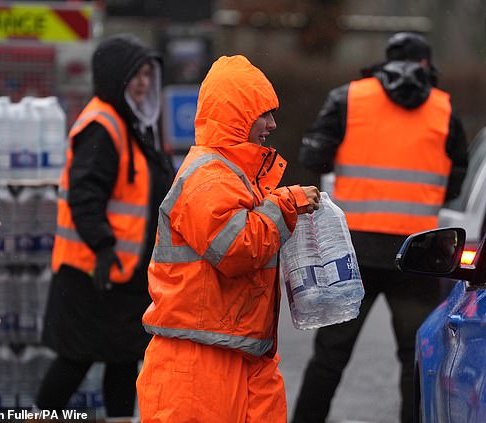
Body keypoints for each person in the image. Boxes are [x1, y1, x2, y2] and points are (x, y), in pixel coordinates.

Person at [292, 32, 469, 423]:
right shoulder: (444, 110)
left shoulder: (348, 98)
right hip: (415, 254)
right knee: (414, 358)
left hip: (354, 251)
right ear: (426, 65)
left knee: (330, 355)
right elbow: (456, 180)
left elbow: (313, 156)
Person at [136, 55, 321, 423]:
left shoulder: (230, 175)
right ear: (236, 115)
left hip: (233, 354)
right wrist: (286, 203)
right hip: (201, 365)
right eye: (262, 114)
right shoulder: (209, 176)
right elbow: (238, 249)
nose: (272, 124)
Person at [35, 34, 175, 417]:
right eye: (135, 74)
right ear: (115, 76)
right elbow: (84, 195)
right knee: (76, 360)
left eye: (148, 74)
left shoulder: (133, 124)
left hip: (121, 272)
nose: (143, 82)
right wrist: (102, 245)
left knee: (123, 358)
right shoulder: (103, 124)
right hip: (93, 271)